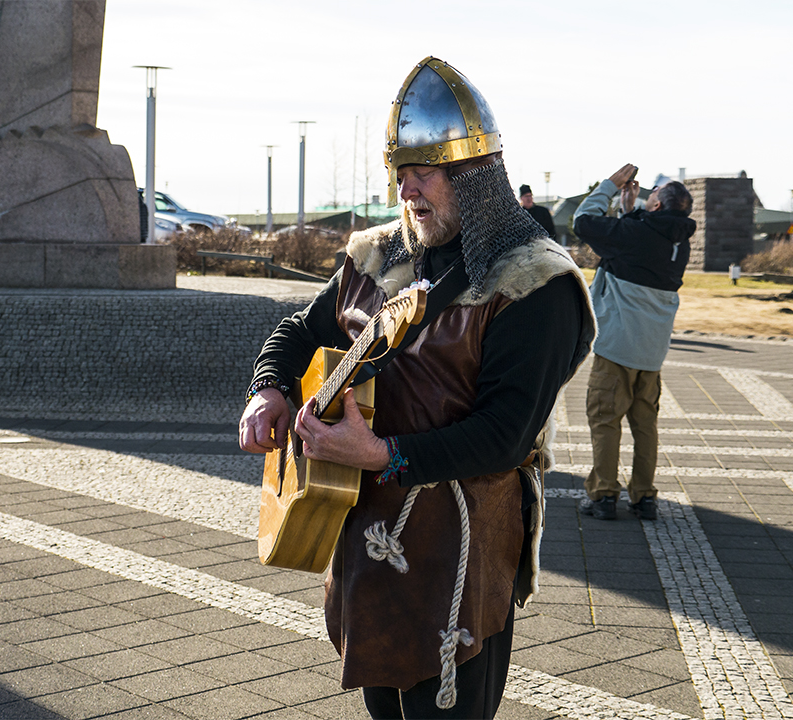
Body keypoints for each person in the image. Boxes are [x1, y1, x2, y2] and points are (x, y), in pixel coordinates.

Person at [238, 57, 595, 719]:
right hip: (365, 547)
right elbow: (298, 331)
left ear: (475, 171)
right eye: (400, 172)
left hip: (462, 555)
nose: (408, 189)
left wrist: (382, 455)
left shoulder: (536, 283)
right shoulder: (377, 256)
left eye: (425, 170)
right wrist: (269, 389)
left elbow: (503, 435)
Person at [573, 165, 696, 521]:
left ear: (656, 207)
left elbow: (583, 220)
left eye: (651, 196)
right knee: (645, 426)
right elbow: (637, 245)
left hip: (616, 349)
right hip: (651, 353)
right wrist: (630, 212)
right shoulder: (679, 243)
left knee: (605, 420)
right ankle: (644, 498)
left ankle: (603, 495)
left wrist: (610, 186)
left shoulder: (633, 233)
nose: (647, 197)